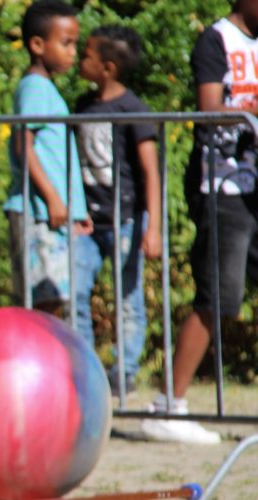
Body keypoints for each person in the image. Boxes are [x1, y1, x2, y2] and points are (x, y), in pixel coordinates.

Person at [141, 0, 258, 445]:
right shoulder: (216, 40)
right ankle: (167, 405)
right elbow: (209, 107)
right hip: (221, 188)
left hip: (254, 189)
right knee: (218, 297)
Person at [72, 25, 160, 397]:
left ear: (107, 67)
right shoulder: (82, 106)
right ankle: (81, 370)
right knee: (75, 292)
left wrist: (152, 226)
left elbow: (150, 171)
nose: (80, 60)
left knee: (128, 299)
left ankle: (123, 371)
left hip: (125, 219)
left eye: (86, 55)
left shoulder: (133, 109)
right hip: (87, 222)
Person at [4, 0, 90, 319]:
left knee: (55, 296)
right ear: (37, 45)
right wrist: (54, 199)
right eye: (66, 43)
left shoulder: (44, 88)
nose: (72, 52)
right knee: (44, 300)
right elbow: (22, 146)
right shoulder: (35, 88)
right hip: (39, 211)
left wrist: (74, 209)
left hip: (50, 212)